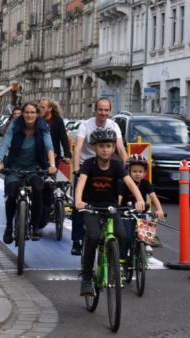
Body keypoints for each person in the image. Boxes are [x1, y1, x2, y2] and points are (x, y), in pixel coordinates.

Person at [74, 128, 145, 296]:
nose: (105, 149)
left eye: (108, 146)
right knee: (93, 235)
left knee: (122, 235)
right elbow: (81, 184)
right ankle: (86, 277)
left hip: (111, 206)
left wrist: (140, 199)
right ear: (94, 148)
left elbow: (130, 183)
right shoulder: (88, 164)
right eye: (101, 146)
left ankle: (113, 261)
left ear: (114, 148)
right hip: (91, 206)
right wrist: (78, 201)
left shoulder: (117, 165)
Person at [71, 97, 128, 255]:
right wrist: (77, 168)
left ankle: (114, 229)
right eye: (100, 109)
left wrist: (127, 166)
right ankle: (76, 240)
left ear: (109, 112)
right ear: (95, 110)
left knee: (117, 196)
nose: (103, 113)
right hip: (87, 166)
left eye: (106, 110)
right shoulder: (85, 125)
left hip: (107, 164)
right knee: (79, 203)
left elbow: (121, 148)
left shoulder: (114, 125)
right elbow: (78, 148)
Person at [0, 102, 58, 243]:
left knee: (38, 188)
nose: (29, 115)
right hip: (14, 167)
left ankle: (34, 227)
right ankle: (9, 226)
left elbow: (49, 146)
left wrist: (52, 164)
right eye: (26, 112)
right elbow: (4, 144)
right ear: (22, 113)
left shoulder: (42, 127)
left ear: (37, 114)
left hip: (34, 167)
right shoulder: (15, 126)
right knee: (11, 193)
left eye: (32, 112)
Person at [118, 154, 165, 257]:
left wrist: (159, 209)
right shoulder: (124, 184)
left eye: (140, 172)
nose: (138, 174)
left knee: (147, 219)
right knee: (127, 237)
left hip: (141, 212)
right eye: (134, 171)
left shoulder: (145, 183)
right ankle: (121, 260)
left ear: (144, 173)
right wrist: (117, 208)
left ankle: (146, 243)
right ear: (128, 171)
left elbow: (153, 197)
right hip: (126, 213)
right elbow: (119, 198)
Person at [38, 97, 72, 228]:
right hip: (40, 158)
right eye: (39, 107)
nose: (40, 109)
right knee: (41, 186)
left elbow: (63, 138)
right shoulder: (37, 120)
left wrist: (67, 155)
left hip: (55, 158)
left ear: (50, 108)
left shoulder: (57, 121)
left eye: (43, 107)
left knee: (54, 185)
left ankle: (54, 208)